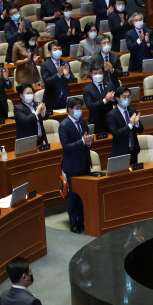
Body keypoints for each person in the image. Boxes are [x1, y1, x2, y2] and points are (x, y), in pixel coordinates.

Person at [59, 96, 93, 233]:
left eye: (81, 108)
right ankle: (73, 223)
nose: (80, 111)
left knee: (83, 194)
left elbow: (88, 138)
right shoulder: (64, 125)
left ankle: (82, 220)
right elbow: (66, 146)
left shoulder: (83, 122)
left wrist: (90, 142)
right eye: (77, 108)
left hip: (84, 162)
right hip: (72, 166)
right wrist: (83, 142)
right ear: (70, 109)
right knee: (73, 195)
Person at [108, 86, 143, 164]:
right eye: (124, 97)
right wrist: (130, 125)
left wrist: (136, 124)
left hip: (134, 150)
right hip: (121, 152)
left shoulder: (132, 110)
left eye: (128, 96)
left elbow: (140, 130)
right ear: (117, 98)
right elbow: (115, 133)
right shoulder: (112, 115)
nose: (127, 99)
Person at [41, 41, 76, 110]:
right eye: (55, 49)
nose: (58, 51)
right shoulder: (45, 65)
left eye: (59, 49)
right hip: (52, 100)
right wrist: (58, 75)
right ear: (50, 52)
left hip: (65, 99)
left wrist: (67, 75)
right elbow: (46, 81)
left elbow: (72, 80)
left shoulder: (65, 63)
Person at [83, 62, 115, 134]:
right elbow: (90, 106)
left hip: (110, 121)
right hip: (97, 122)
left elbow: (116, 101)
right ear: (91, 74)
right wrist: (105, 100)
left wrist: (112, 99)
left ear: (103, 73)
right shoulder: (87, 89)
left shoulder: (109, 85)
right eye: (95, 73)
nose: (98, 75)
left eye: (100, 72)